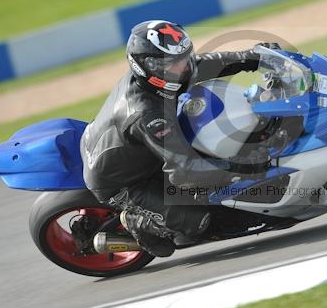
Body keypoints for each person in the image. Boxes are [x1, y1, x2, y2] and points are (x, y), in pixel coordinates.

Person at [80, 20, 271, 257]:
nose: (185, 68)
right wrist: (240, 168)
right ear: (147, 67)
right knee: (197, 223)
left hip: (134, 150)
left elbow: (204, 64)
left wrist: (253, 57)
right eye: (175, 64)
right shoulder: (146, 113)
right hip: (125, 182)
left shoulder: (165, 74)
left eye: (184, 59)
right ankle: (136, 222)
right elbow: (184, 171)